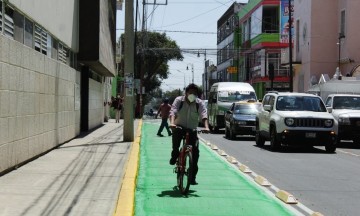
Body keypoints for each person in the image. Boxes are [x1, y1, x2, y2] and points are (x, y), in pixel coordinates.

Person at [169, 83, 210, 185]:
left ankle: (192, 177)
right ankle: (175, 156)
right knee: (176, 146)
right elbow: (173, 111)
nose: (192, 95)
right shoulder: (179, 100)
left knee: (195, 155)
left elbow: (203, 114)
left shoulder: (199, 103)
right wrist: (172, 123)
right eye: (190, 92)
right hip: (178, 127)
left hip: (192, 129)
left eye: (195, 93)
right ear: (186, 92)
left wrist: (206, 126)